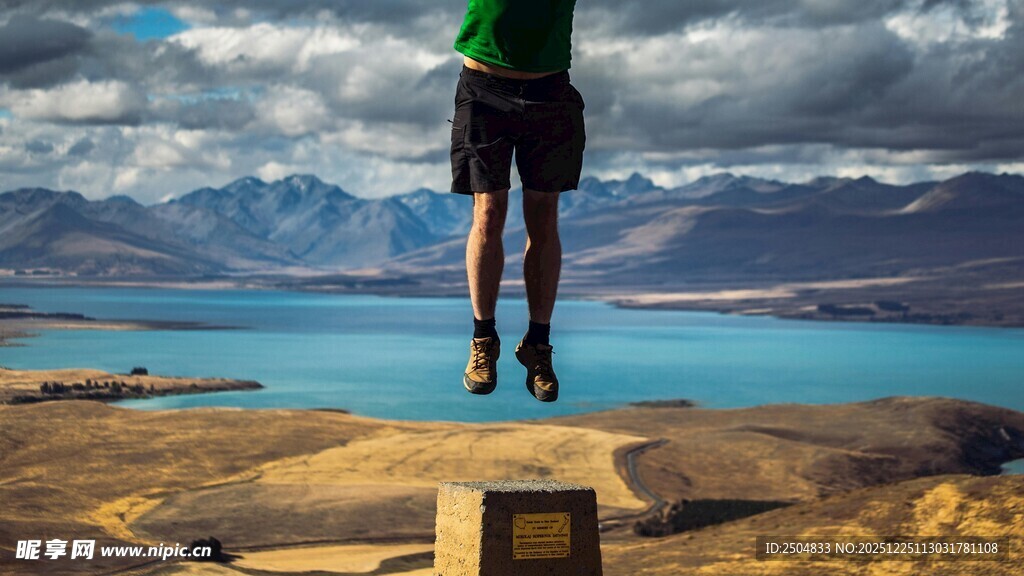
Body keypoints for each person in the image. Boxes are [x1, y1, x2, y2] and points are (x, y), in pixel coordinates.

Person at [449, 0, 585, 402]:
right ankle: (483, 339)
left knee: (544, 217)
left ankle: (537, 345)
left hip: (551, 90)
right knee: (489, 211)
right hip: (483, 88)